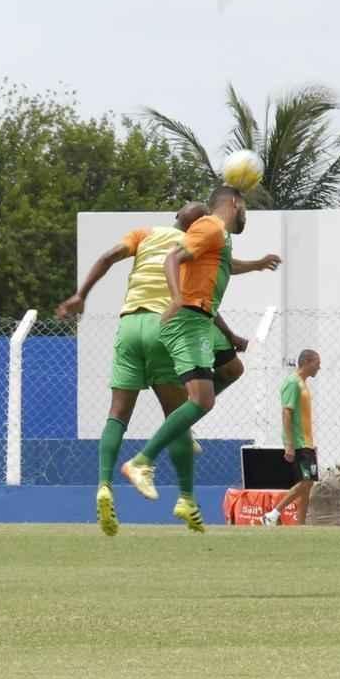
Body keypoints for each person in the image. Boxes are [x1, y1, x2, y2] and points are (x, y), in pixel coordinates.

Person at [58, 202, 278, 535]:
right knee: (180, 412)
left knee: (117, 413)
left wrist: (81, 294)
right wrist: (232, 335)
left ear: (176, 215)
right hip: (167, 324)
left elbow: (106, 257)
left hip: (130, 325)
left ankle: (104, 484)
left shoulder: (144, 235)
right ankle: (186, 498)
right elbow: (202, 299)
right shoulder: (192, 246)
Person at [120, 185, 247, 501]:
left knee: (227, 374)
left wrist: (258, 264)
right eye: (245, 207)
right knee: (201, 400)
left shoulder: (220, 237)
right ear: (234, 203)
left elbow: (224, 266)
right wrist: (176, 298)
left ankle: (179, 426)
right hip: (188, 319)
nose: (246, 214)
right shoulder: (211, 225)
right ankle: (142, 461)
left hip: (201, 320)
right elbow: (173, 258)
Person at [263, 349, 321, 526]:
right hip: (298, 442)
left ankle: (300, 524)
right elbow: (286, 413)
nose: (319, 367)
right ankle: (272, 514)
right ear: (307, 362)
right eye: (317, 363)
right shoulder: (292, 383)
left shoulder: (303, 383)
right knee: (305, 481)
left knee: (308, 485)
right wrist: (289, 443)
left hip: (308, 442)